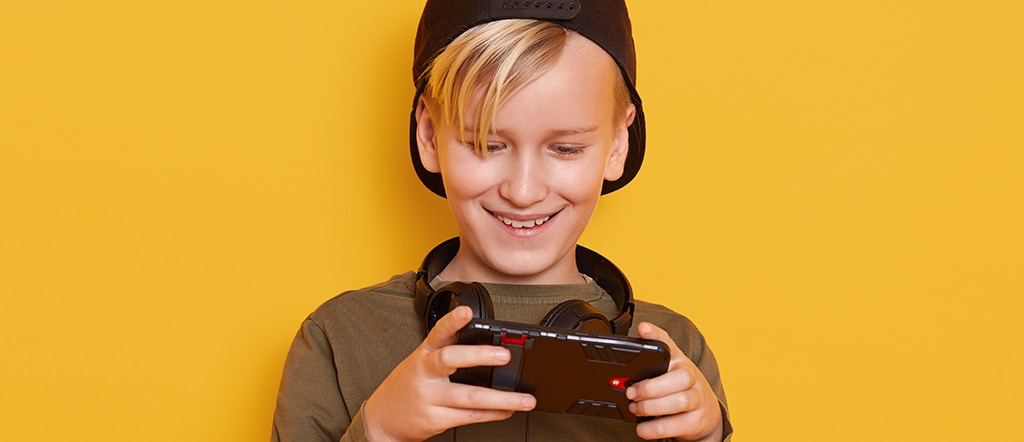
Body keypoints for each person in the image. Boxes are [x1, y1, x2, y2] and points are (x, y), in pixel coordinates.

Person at [272, 1, 733, 440]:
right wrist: (381, 431)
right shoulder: (339, 335)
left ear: (617, 144)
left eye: (565, 148)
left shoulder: (676, 359)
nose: (523, 191)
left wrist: (706, 434)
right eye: (487, 145)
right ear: (429, 134)